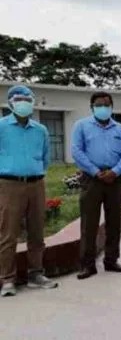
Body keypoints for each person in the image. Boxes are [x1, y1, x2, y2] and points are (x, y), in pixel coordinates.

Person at [0, 85, 59, 297]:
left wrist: (35, 172)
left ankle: (36, 274)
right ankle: (7, 279)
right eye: (19, 99)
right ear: (10, 103)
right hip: (9, 184)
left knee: (37, 231)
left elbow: (45, 157)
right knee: (8, 233)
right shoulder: (2, 127)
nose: (23, 103)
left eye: (27, 99)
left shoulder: (40, 130)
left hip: (36, 183)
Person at [71, 91, 121, 280]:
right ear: (92, 107)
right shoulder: (81, 126)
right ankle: (87, 265)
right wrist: (95, 171)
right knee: (89, 223)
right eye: (99, 105)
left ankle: (111, 260)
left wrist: (116, 171)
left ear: (112, 107)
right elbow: (76, 151)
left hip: (115, 179)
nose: (103, 108)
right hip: (91, 179)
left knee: (114, 221)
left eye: (107, 105)